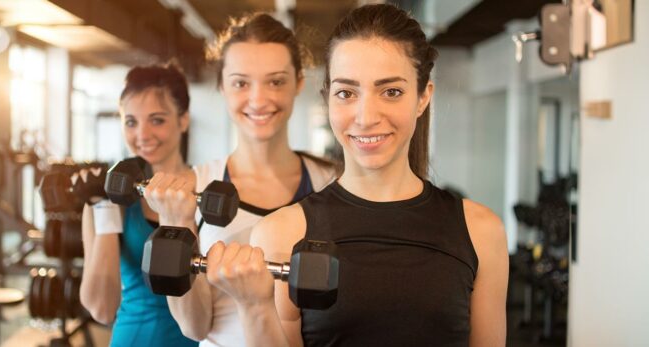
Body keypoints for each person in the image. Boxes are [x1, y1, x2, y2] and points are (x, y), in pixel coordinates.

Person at [202, 4, 508, 346]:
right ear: (328, 100)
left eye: (391, 91)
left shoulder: (482, 232)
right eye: (347, 93)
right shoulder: (279, 233)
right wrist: (253, 306)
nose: (365, 116)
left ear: (423, 97)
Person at [141, 13, 337, 347]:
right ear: (222, 86)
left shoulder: (333, 183)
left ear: (299, 82)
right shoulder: (190, 188)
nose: (258, 100)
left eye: (275, 81)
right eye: (241, 83)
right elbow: (194, 326)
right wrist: (177, 221)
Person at [77, 63, 198, 347]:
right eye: (131, 122)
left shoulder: (207, 190)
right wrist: (107, 207)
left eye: (156, 120)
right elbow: (102, 309)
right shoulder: (103, 201)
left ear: (183, 120)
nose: (142, 135)